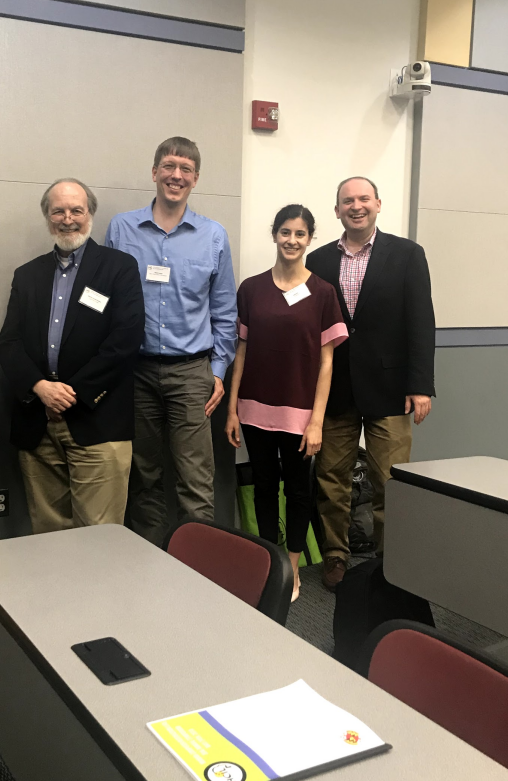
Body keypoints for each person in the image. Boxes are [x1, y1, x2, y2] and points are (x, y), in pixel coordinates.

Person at [105, 137, 237, 546]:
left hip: (191, 373)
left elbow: (225, 314)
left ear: (195, 179)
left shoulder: (213, 236)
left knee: (196, 480)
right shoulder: (121, 228)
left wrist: (217, 373)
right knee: (143, 477)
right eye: (168, 166)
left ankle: (201, 569)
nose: (175, 175)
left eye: (185, 168)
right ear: (154, 172)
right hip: (137, 372)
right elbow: (107, 301)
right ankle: (149, 565)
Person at [306, 176, 435, 590]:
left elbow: (421, 323)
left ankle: (390, 562)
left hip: (391, 387)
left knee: (391, 481)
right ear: (337, 209)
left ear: (378, 204)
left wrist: (420, 385)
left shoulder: (407, 254)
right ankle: (335, 556)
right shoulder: (319, 259)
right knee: (332, 479)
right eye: (348, 201)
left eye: (364, 199)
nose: (356, 206)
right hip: (337, 389)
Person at [0, 178, 144, 534]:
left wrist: (69, 395)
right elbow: (9, 343)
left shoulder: (119, 268)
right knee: (48, 534)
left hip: (99, 420)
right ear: (47, 217)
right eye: (58, 211)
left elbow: (124, 341)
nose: (68, 218)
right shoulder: (27, 275)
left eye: (76, 210)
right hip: (38, 425)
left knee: (100, 536)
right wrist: (40, 388)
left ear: (90, 213)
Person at [225, 205, 348, 600]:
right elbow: (241, 351)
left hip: (301, 415)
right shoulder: (251, 288)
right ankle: (272, 562)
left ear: (310, 238)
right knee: (264, 488)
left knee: (297, 490)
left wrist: (317, 422)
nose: (291, 240)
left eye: (300, 233)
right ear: (274, 235)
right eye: (284, 232)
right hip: (255, 409)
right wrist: (232, 409)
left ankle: (292, 568)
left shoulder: (324, 293)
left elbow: (327, 362)